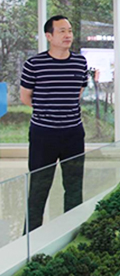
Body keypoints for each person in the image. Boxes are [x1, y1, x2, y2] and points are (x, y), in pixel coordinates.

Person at [20, 15, 88, 232]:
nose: (68, 35)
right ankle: (30, 238)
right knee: (38, 189)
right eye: (62, 31)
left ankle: (72, 233)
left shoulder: (80, 62)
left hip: (73, 134)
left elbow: (78, 92)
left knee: (74, 187)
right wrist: (48, 111)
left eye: (70, 30)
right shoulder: (34, 64)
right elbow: (25, 97)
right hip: (43, 135)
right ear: (49, 36)